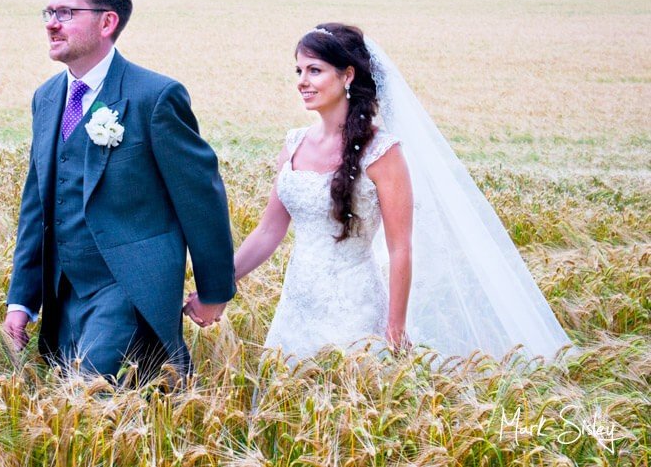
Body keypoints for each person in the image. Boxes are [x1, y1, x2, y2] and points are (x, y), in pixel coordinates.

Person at [185, 23, 572, 363]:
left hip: (353, 306)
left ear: (347, 75)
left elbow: (401, 246)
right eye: (299, 70)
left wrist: (395, 328)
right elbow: (269, 232)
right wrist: (216, 288)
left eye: (315, 70)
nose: (302, 81)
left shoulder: (383, 153)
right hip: (297, 305)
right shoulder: (294, 143)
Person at [4, 0, 235, 380]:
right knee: (80, 419)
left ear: (107, 21)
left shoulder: (155, 97)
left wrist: (215, 290)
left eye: (67, 13)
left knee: (92, 398)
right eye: (48, 12)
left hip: (129, 287)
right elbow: (37, 204)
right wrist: (21, 300)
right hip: (64, 293)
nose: (52, 24)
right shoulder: (46, 97)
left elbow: (200, 198)